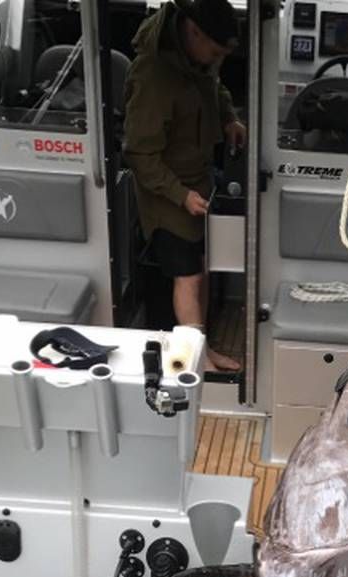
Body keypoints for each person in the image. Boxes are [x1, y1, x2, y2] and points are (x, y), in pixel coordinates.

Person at [123, 0, 247, 371]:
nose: (216, 59)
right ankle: (195, 362)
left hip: (198, 180)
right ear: (193, 31)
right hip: (167, 193)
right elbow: (139, 155)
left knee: (203, 267)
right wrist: (181, 195)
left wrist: (229, 118)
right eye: (214, 50)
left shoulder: (196, 61)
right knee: (188, 275)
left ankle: (202, 347)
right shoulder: (154, 75)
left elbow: (214, 86)